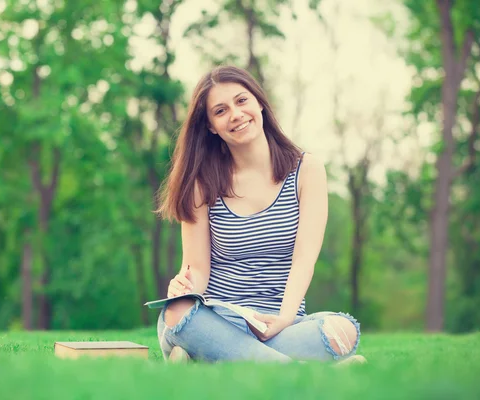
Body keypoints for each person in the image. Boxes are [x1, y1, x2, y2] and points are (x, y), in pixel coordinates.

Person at [155, 65, 365, 364]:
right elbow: (197, 269)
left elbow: (304, 258)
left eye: (242, 101)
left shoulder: (307, 171)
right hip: (217, 318)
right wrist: (185, 285)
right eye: (221, 110)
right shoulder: (201, 183)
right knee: (178, 313)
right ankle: (298, 372)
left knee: (342, 330)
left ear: (259, 103)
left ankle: (209, 360)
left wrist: (284, 317)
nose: (236, 114)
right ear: (212, 126)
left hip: (279, 323)